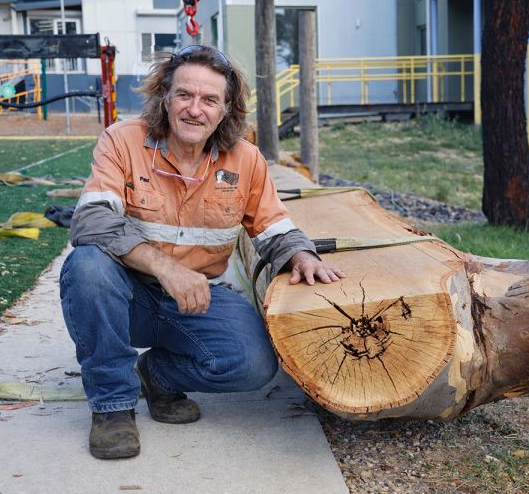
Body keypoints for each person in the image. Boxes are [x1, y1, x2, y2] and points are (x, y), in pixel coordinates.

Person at [60, 45, 344, 460]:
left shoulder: (245, 160)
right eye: (184, 95)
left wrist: (301, 255)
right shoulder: (123, 141)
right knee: (86, 267)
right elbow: (91, 221)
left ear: (227, 109)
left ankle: (156, 375)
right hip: (125, 296)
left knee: (254, 364)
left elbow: (273, 226)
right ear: (165, 98)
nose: (195, 110)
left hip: (194, 301)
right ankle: (112, 407)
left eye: (210, 99)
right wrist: (165, 268)